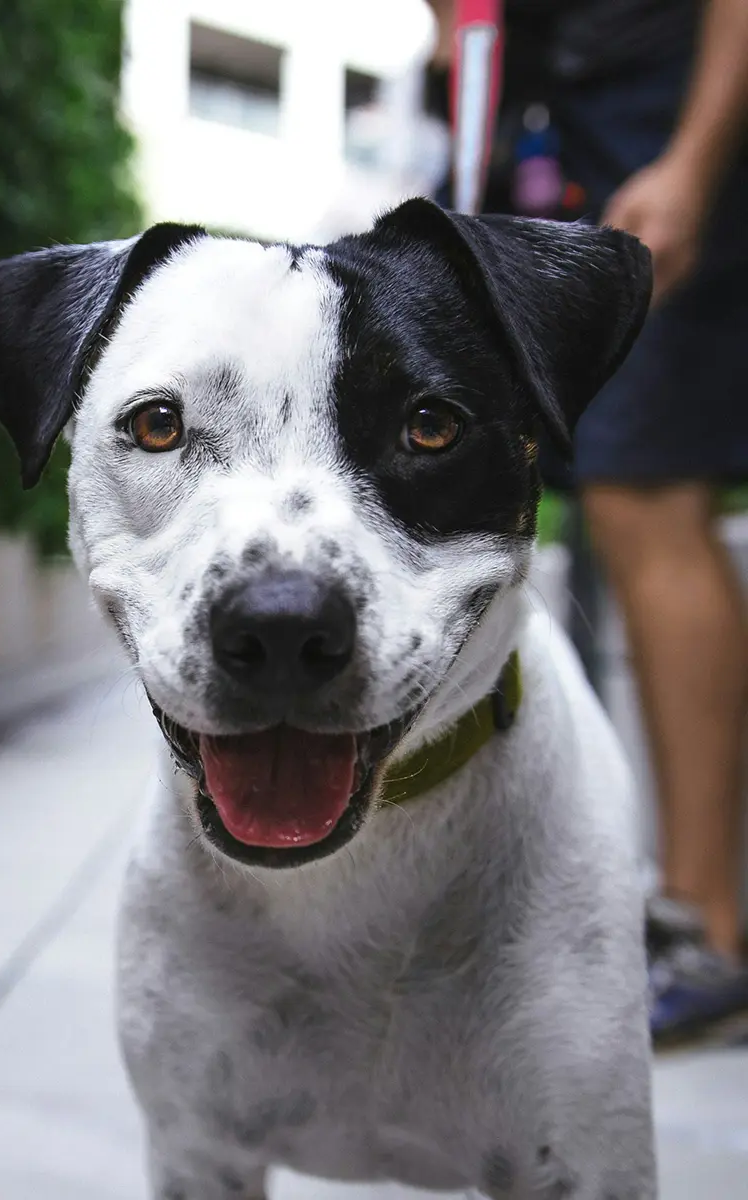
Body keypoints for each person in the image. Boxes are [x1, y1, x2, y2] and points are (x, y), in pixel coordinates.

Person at [423, 0, 748, 1045]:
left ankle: (705, 929)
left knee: (642, 492)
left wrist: (693, 161)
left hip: (665, 115)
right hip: (540, 115)